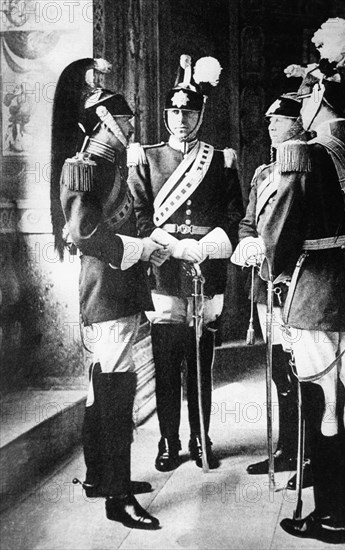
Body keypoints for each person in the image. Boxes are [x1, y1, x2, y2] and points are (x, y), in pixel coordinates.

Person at [259, 69, 345, 542]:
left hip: (316, 291)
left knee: (323, 402)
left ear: (315, 99)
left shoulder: (301, 155)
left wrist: (268, 256)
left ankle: (329, 515)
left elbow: (281, 231)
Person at [54, 58, 163, 529]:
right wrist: (139, 248)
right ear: (104, 121)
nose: (132, 125)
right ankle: (117, 498)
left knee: (106, 390)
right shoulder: (86, 167)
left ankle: (100, 476)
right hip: (106, 293)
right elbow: (83, 232)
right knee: (115, 393)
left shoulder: (107, 164)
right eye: (125, 119)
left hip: (118, 289)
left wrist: (142, 251)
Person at [129, 54, 244, 471]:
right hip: (165, 270)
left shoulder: (220, 159)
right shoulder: (146, 157)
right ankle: (167, 440)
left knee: (202, 361)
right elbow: (140, 214)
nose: (181, 119)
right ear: (165, 115)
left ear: (200, 115)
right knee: (166, 361)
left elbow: (235, 213)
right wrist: (174, 248)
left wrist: (213, 242)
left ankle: (200, 438)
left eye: (188, 112)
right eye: (174, 112)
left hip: (207, 269)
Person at [231, 92, 313, 489]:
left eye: (279, 121)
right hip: (265, 286)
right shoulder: (264, 173)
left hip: (297, 281)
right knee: (280, 367)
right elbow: (249, 222)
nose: (271, 127)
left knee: (307, 370)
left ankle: (311, 450)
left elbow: (299, 228)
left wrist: (275, 262)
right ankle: (286, 447)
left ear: (299, 124)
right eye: (269, 122)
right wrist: (248, 243)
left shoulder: (306, 168)